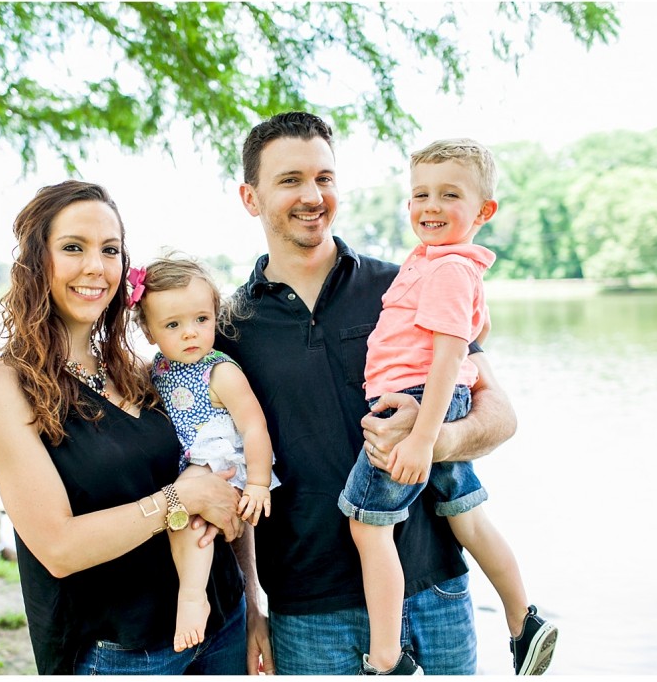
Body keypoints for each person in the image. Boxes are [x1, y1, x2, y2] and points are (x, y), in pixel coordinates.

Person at [215, 112, 518, 675]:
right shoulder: (228, 327)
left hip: (435, 590)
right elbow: (229, 470)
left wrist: (434, 439)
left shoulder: (407, 282)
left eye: (325, 178)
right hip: (308, 613)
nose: (313, 195)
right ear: (250, 198)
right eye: (290, 180)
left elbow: (499, 415)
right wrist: (252, 604)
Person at [0, 180, 248, 675]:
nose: (96, 266)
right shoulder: (4, 392)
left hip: (223, 621)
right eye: (73, 247)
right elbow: (57, 548)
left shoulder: (140, 370)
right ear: (37, 261)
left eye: (110, 250)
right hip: (125, 652)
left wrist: (253, 607)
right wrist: (178, 501)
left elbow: (221, 464)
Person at [339, 138, 557, 675]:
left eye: (449, 195)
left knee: (369, 526)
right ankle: (522, 620)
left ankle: (387, 657)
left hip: (416, 403)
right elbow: (476, 329)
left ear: (484, 210)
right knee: (468, 516)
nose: (430, 206)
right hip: (434, 400)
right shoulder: (441, 263)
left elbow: (447, 358)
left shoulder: (446, 269)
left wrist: (420, 439)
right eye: (420, 194)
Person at [132, 254, 281, 653]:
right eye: (173, 325)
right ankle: (193, 592)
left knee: (183, 514)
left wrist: (258, 483)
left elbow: (254, 426)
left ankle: (193, 596)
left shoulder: (220, 371)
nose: (190, 334)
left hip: (218, 459)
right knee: (183, 519)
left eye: (201, 319)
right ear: (148, 331)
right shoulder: (156, 368)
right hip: (191, 463)